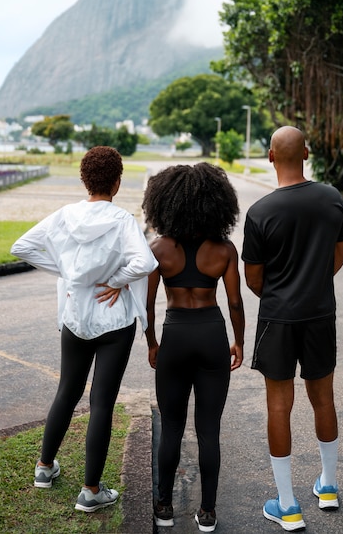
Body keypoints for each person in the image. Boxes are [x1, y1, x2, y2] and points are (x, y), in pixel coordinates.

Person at [10, 146, 158, 512]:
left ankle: (44, 468)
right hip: (114, 321)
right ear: (118, 182)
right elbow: (147, 261)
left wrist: (68, 272)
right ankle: (91, 491)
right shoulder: (122, 220)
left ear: (83, 179)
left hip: (75, 317)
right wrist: (118, 279)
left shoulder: (65, 215)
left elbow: (21, 247)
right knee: (101, 402)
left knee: (67, 391)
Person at [242, 126, 343, 531]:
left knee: (278, 405)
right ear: (306, 152)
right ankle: (329, 487)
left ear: (270, 156)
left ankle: (287, 505)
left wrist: (281, 296)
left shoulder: (260, 212)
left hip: (278, 319)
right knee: (324, 400)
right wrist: (312, 288)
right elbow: (338, 258)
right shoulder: (332, 198)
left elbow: (254, 279)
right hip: (320, 313)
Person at [142, 162, 245, 533]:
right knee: (209, 429)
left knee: (171, 427)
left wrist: (153, 343)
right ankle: (207, 512)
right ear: (216, 203)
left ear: (166, 203)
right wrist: (239, 341)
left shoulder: (158, 248)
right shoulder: (224, 249)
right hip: (212, 334)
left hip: (175, 335)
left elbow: (148, 305)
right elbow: (234, 302)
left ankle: (165, 507)